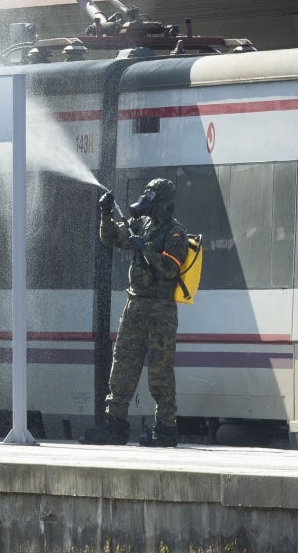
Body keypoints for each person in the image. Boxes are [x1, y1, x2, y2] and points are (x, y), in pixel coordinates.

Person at [80, 179, 188, 447]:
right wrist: (105, 214)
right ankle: (114, 425)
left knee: (160, 371)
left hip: (160, 310)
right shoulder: (144, 226)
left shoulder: (175, 234)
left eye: (152, 196)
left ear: (164, 202)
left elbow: (171, 269)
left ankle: (165, 428)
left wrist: (146, 249)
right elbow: (111, 237)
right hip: (136, 305)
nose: (146, 200)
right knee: (123, 364)